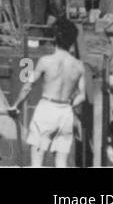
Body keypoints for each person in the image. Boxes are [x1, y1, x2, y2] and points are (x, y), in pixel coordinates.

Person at [14, 17, 85, 167]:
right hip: (65, 112)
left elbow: (28, 86)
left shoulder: (45, 61)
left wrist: (16, 105)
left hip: (46, 109)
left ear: (54, 37)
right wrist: (70, 105)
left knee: (37, 162)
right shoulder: (79, 66)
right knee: (61, 163)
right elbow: (82, 96)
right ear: (72, 41)